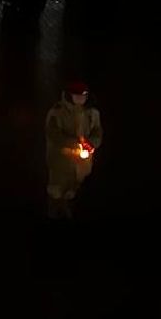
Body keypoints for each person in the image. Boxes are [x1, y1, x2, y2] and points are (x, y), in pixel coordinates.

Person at [45, 80, 102, 219]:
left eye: (83, 96)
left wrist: (91, 144)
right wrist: (74, 143)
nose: (80, 99)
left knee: (76, 188)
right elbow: (53, 134)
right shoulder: (57, 112)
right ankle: (53, 212)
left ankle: (71, 212)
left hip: (83, 161)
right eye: (77, 96)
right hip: (61, 160)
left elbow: (97, 131)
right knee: (57, 189)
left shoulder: (92, 113)